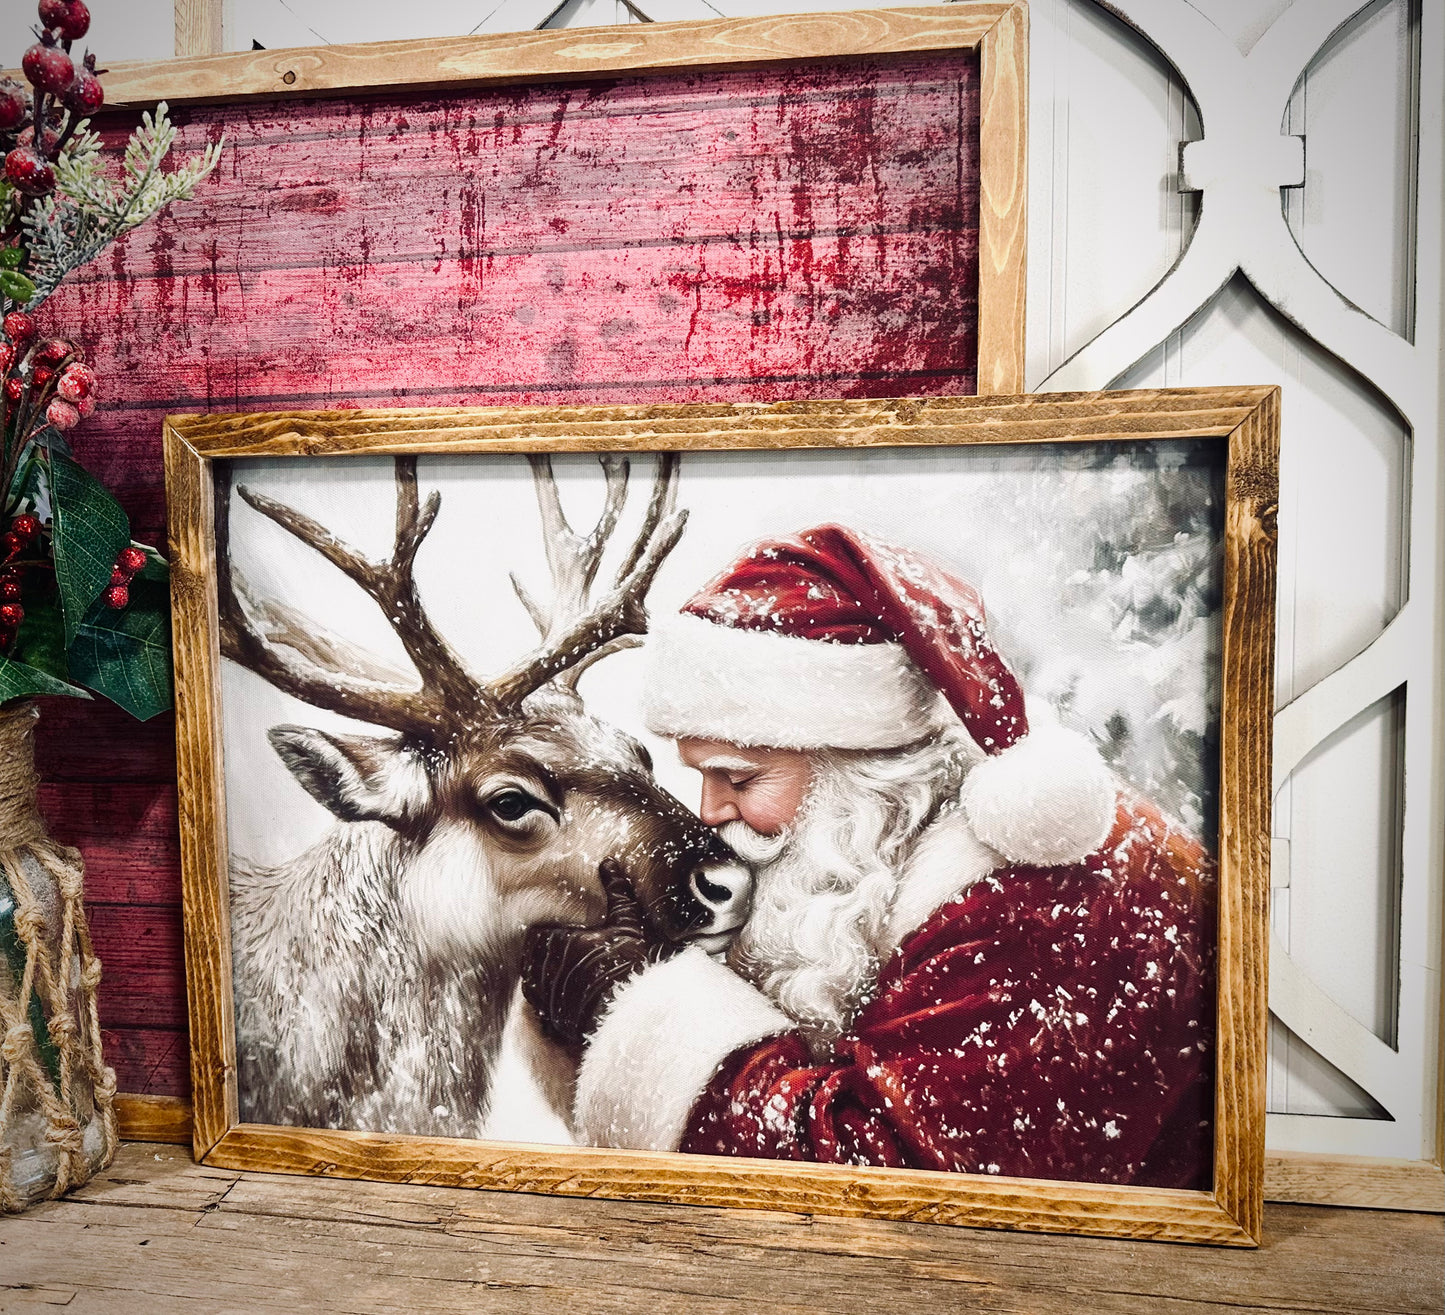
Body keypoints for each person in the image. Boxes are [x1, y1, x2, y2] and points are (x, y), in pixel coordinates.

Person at [521, 525, 1216, 1188]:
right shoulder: (886, 845)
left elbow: (886, 1188)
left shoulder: (1039, 905)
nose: (710, 811)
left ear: (856, 765)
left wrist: (642, 1006)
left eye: (738, 778)